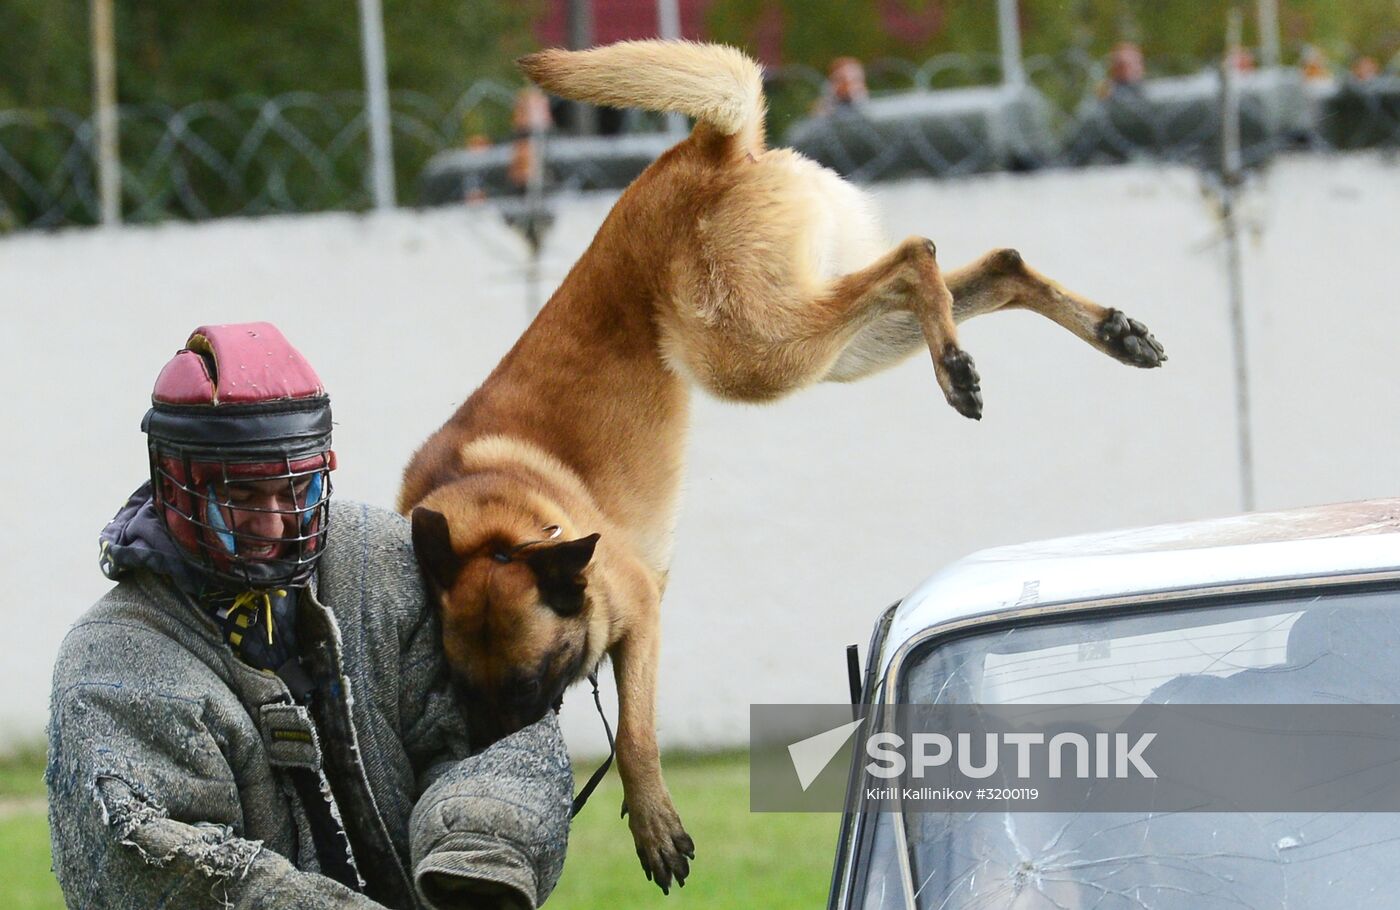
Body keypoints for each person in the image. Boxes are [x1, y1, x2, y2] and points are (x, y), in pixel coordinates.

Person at [46, 322, 572, 909]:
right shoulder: (112, 662)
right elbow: (166, 866)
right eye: (243, 496)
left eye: (295, 490)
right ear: (179, 488)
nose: (275, 523)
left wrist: (476, 870)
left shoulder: (379, 564)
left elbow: (488, 730)